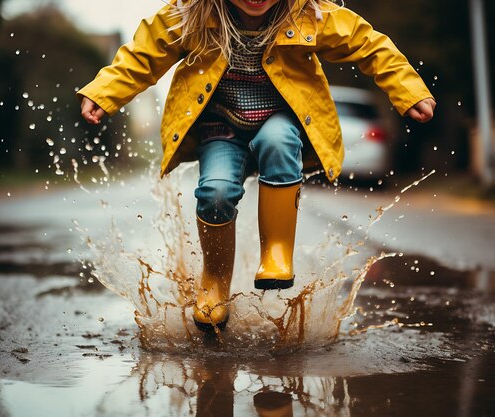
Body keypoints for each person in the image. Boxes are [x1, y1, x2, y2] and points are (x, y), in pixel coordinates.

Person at [78, 0, 436, 333]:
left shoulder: (309, 15)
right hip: (220, 129)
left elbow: (369, 45)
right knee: (215, 193)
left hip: (276, 121)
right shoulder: (192, 14)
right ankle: (215, 283)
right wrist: (104, 92)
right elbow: (143, 55)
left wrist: (408, 91)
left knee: (278, 141)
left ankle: (277, 253)